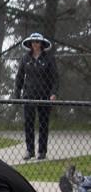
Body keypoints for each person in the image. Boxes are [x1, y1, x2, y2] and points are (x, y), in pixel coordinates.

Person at [14, 32, 58, 161]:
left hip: (44, 95)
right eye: (33, 42)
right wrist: (17, 92)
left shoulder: (49, 58)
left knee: (43, 123)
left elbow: (55, 78)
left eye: (37, 42)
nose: (35, 44)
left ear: (42, 44)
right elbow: (19, 77)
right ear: (30, 43)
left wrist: (53, 93)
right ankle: (30, 150)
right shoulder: (25, 58)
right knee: (28, 123)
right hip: (29, 95)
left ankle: (42, 151)